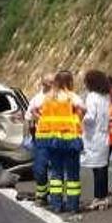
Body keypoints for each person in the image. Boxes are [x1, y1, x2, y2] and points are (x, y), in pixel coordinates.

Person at [38, 70, 85, 213]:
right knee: (72, 175)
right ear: (69, 82)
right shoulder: (72, 97)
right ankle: (72, 206)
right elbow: (83, 109)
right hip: (70, 141)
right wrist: (77, 118)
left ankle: (56, 204)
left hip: (52, 141)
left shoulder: (48, 97)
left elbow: (38, 111)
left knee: (56, 174)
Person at [80, 70, 112, 211]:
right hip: (104, 136)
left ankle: (98, 198)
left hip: (94, 137)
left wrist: (80, 115)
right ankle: (103, 198)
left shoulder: (92, 97)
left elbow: (90, 117)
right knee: (102, 167)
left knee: (97, 169)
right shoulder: (105, 97)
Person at [24, 73, 54, 205]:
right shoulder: (37, 99)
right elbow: (28, 118)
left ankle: (54, 196)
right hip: (40, 138)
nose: (54, 84)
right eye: (51, 82)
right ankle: (42, 194)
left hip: (56, 137)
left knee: (56, 169)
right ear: (44, 84)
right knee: (40, 169)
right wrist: (29, 135)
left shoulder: (60, 98)